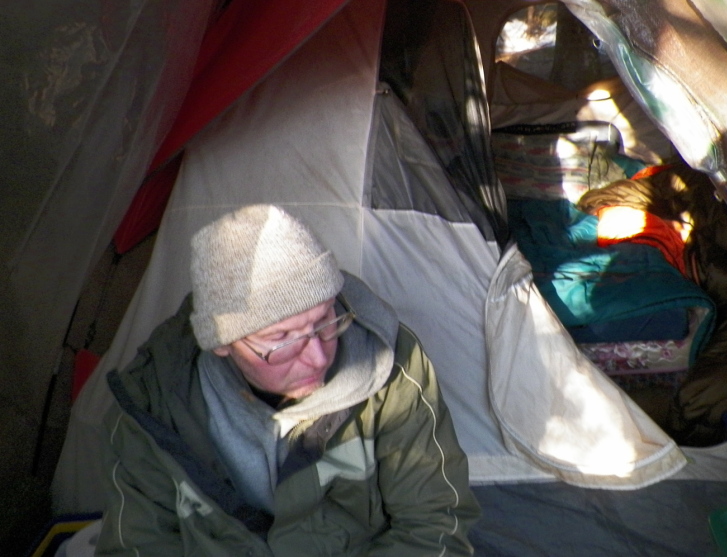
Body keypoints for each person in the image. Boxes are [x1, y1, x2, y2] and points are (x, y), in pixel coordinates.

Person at [96, 204, 480, 556]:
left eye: (326, 321)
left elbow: (435, 526)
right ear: (222, 344)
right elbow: (138, 546)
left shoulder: (392, 371)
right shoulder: (154, 404)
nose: (317, 357)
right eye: (282, 339)